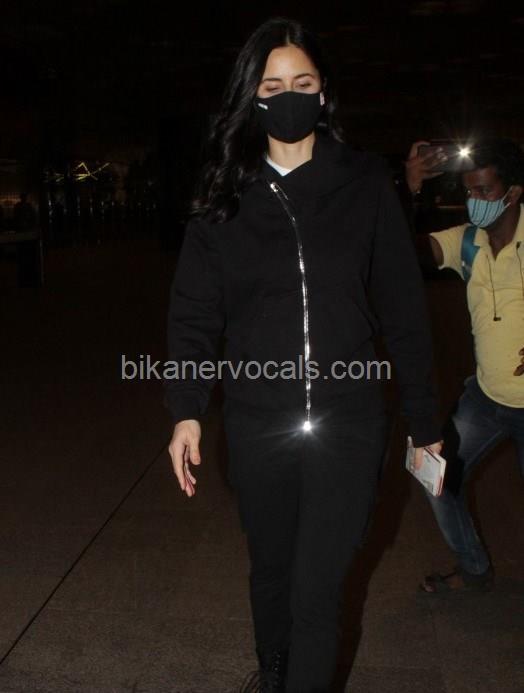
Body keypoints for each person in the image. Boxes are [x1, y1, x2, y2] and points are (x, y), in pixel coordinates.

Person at [164, 17, 441, 692]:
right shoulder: (223, 197)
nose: (288, 97)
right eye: (271, 86)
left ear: (323, 92)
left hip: (350, 420)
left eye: (303, 82)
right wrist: (186, 409)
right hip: (260, 422)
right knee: (272, 571)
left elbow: (404, 309)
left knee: (318, 590)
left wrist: (426, 419)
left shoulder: (365, 184)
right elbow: (194, 314)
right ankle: (275, 669)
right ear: (251, 96)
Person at [404, 138, 524, 594]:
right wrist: (411, 191)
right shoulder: (468, 241)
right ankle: (474, 568)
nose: (475, 201)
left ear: (512, 193)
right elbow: (404, 254)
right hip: (487, 397)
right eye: (469, 191)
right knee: (433, 473)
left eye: (485, 191)